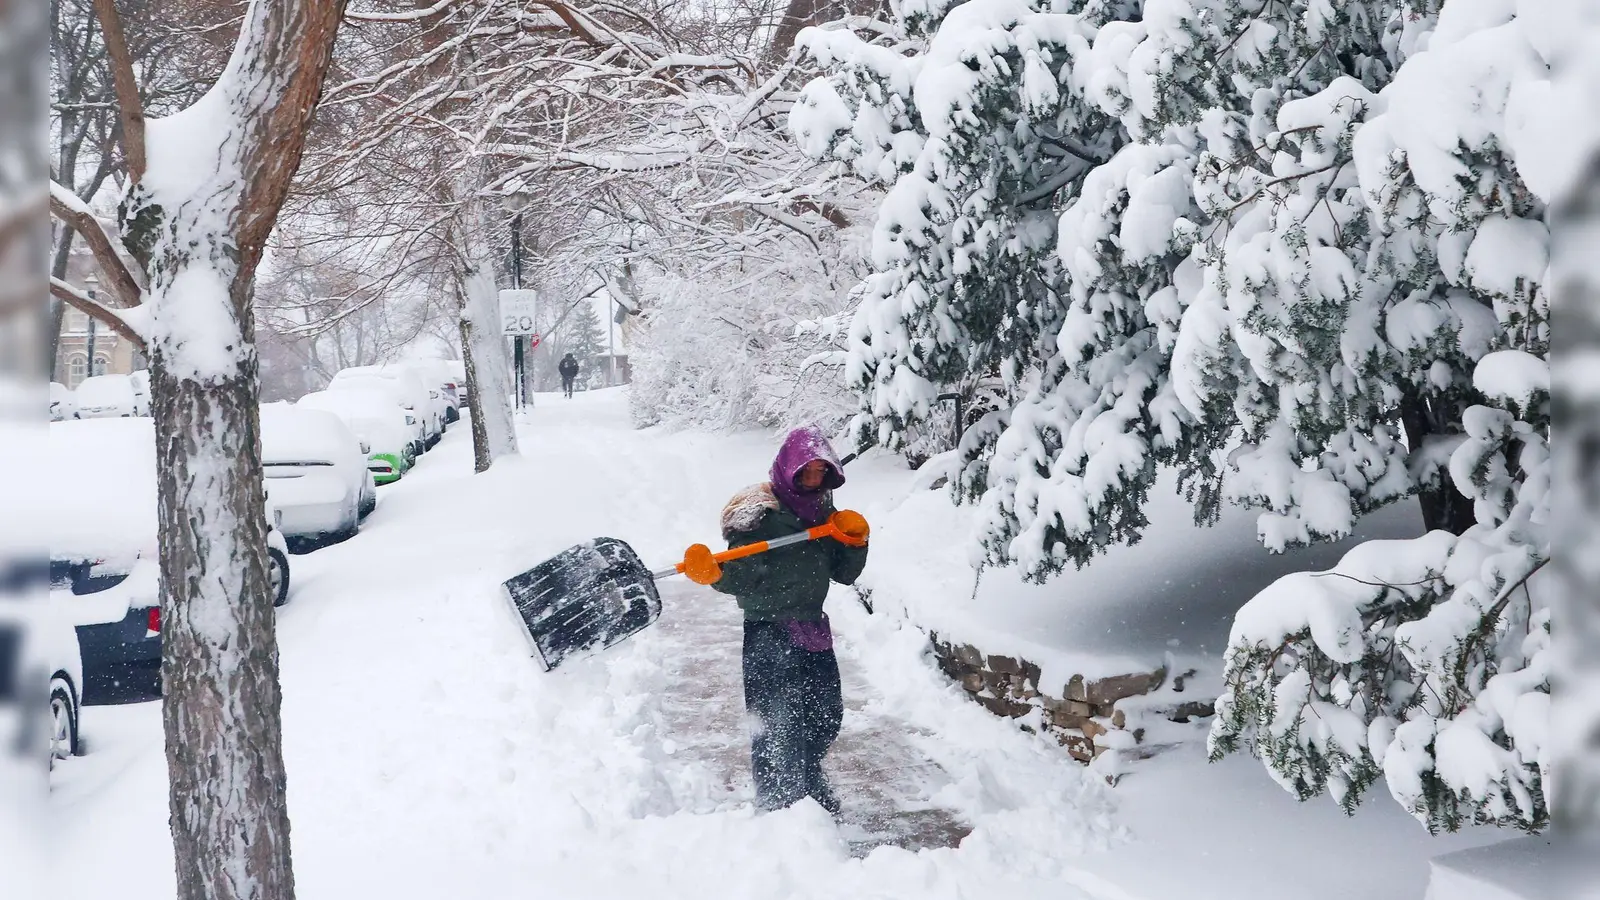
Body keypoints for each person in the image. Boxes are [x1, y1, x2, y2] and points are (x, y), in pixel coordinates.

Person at [681, 426, 870, 815]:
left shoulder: (824, 514)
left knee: (825, 716)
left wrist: (854, 542)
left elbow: (844, 574)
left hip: (813, 627)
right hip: (769, 630)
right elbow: (744, 575)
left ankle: (807, 777)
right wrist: (716, 574)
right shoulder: (760, 519)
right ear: (789, 468)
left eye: (821, 471)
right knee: (777, 725)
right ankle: (781, 805)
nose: (814, 479)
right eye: (807, 471)